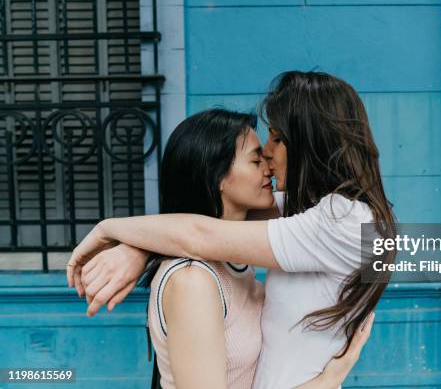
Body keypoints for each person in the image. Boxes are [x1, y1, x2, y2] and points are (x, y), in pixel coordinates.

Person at [67, 71, 395, 388]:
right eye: (255, 159)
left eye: (278, 139)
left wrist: (110, 229)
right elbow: (202, 226)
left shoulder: (340, 219)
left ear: (309, 144)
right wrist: (136, 248)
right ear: (218, 177)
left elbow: (202, 233)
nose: (268, 152)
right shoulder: (307, 214)